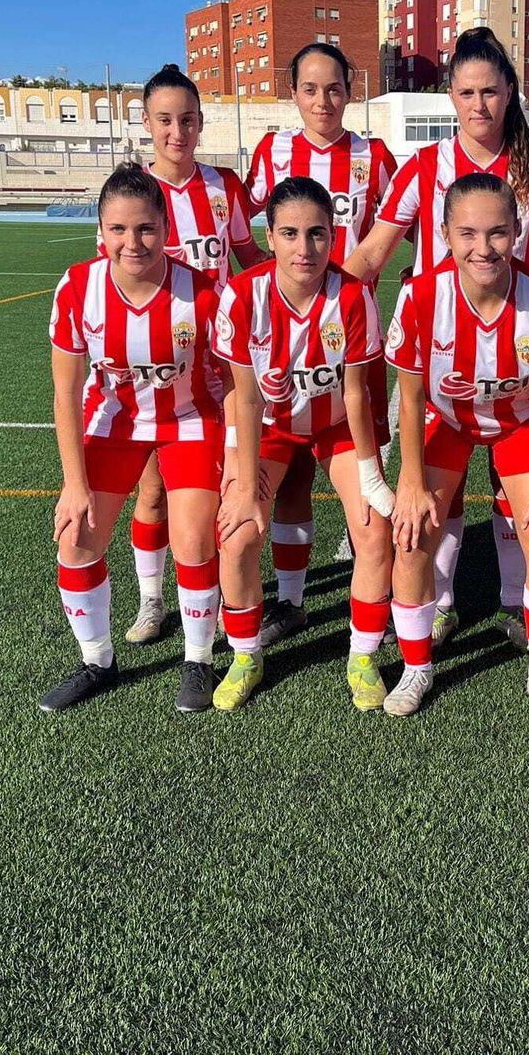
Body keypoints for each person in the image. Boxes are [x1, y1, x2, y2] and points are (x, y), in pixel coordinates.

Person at [345, 28, 529, 650]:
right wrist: (304, 302)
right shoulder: (425, 166)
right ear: (451, 96)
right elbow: (374, 253)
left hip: (516, 360)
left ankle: (518, 602)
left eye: (491, 91)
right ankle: (437, 604)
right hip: (442, 363)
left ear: (510, 92)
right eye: (466, 92)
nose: (479, 105)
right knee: (434, 502)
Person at [381, 173, 529, 723]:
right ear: (444, 233)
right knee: (413, 534)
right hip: (446, 420)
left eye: (496, 233)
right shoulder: (420, 297)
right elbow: (411, 397)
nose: (483, 248)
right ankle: (416, 668)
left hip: (521, 422)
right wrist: (413, 483)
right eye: (467, 233)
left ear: (518, 232)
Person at [40, 163, 226, 714]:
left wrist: (238, 458)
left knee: (193, 539)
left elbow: (234, 382)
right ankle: (96, 661)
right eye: (118, 229)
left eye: (145, 228)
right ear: (101, 232)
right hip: (113, 424)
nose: (132, 242)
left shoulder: (202, 291)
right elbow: (66, 393)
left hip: (189, 421)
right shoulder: (78, 287)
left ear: (165, 229)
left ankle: (198, 658)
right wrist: (74, 485)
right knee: (75, 541)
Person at [213, 178, 395, 711]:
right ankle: (245, 655)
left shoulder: (355, 296)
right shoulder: (244, 295)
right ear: (269, 237)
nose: (304, 248)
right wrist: (245, 486)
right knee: (239, 532)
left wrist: (369, 476)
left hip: (337, 425)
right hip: (266, 425)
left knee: (373, 527)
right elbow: (244, 400)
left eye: (317, 234)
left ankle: (362, 656)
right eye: (290, 233)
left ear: (334, 236)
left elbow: (358, 394)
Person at [242, 43, 398, 650]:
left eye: (333, 88)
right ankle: (291, 602)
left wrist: (354, 285)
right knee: (291, 481)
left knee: (367, 479)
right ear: (294, 93)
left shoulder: (373, 155)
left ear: (349, 91)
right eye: (310, 88)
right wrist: (263, 294)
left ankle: (375, 607)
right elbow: (240, 220)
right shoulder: (271, 151)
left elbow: (397, 224)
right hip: (284, 342)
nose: (323, 100)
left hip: (351, 337)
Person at [123, 64, 264, 651]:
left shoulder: (222, 187)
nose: (177, 131)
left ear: (201, 124)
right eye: (165, 120)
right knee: (152, 490)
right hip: (158, 372)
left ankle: (238, 595)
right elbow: (116, 278)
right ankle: (152, 600)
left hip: (222, 372)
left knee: (223, 491)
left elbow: (249, 256)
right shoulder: (133, 194)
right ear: (148, 125)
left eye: (187, 119)